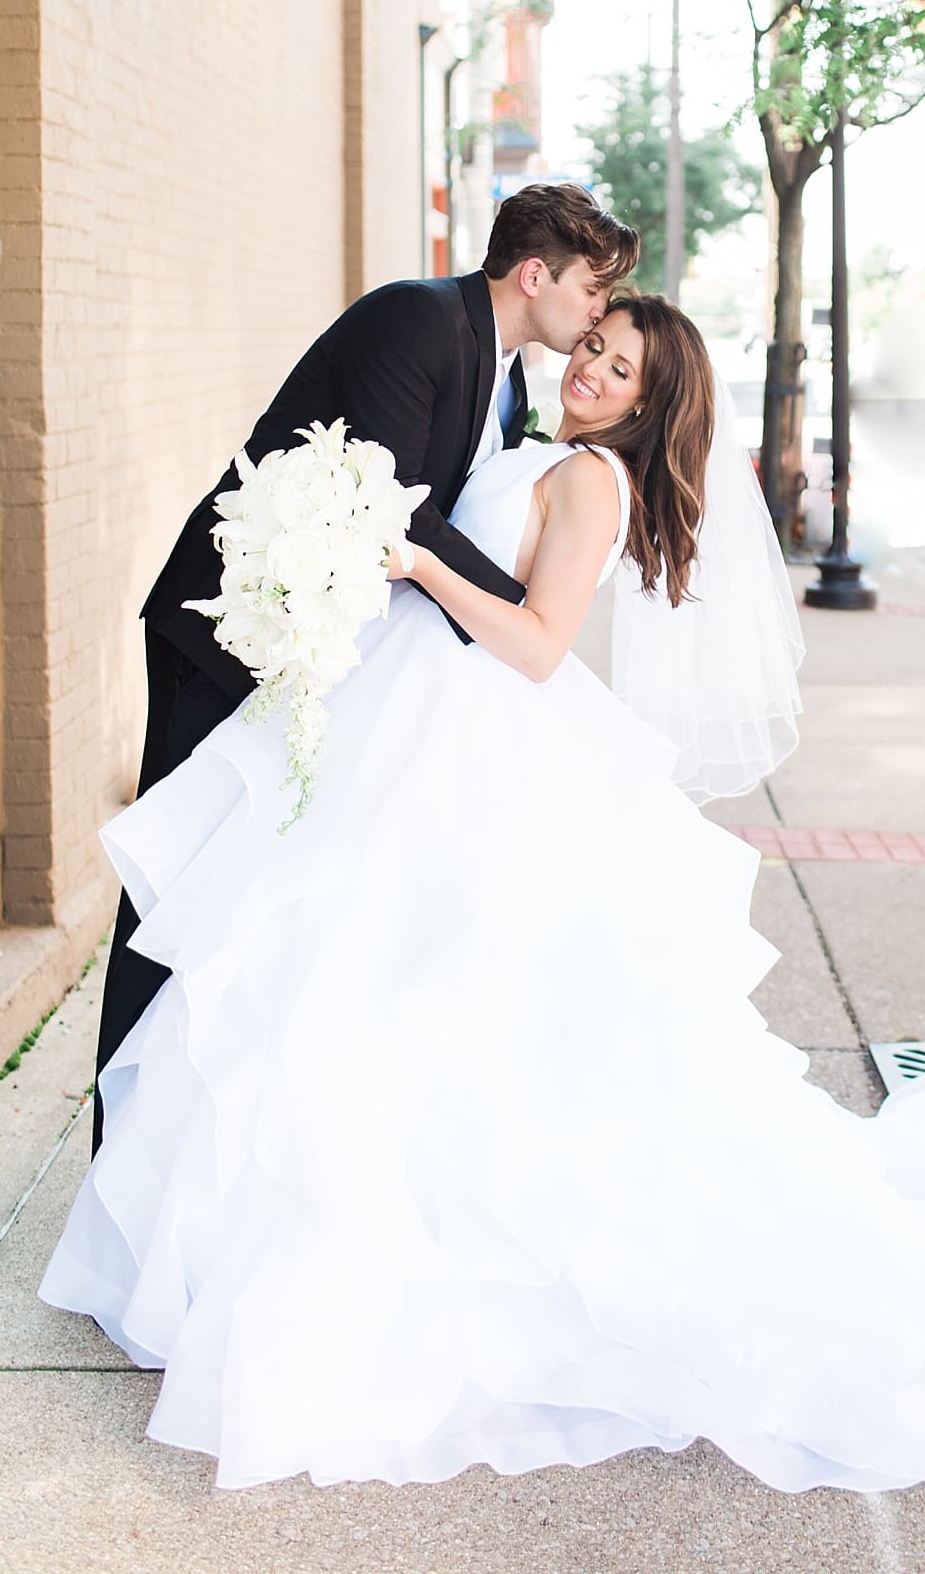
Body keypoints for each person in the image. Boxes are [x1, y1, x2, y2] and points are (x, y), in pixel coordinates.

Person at [43, 296, 925, 1494]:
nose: (594, 376)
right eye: (597, 351)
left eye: (622, 373)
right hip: (406, 716)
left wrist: (408, 558)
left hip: (470, 729)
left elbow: (540, 642)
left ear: (651, 406)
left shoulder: (595, 486)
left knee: (412, 988)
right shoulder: (536, 446)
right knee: (342, 974)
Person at [90, 183, 640, 1152]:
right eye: (592, 293)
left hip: (317, 657)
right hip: (225, 633)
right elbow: (400, 508)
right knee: (174, 887)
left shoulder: (504, 378)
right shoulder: (415, 321)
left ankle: (188, 1134)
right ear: (534, 274)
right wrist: (522, 614)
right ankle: (120, 1144)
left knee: (243, 892)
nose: (595, 315)